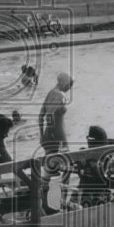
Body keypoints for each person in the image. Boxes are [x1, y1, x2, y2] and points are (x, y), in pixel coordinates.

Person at [35, 73, 73, 215]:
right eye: (70, 84)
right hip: (58, 136)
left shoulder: (51, 93)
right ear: (64, 83)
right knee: (68, 168)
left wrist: (43, 134)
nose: (70, 87)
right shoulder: (60, 95)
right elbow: (50, 116)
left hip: (49, 136)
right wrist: (53, 134)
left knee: (49, 170)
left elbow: (41, 116)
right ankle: (62, 202)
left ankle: (44, 204)